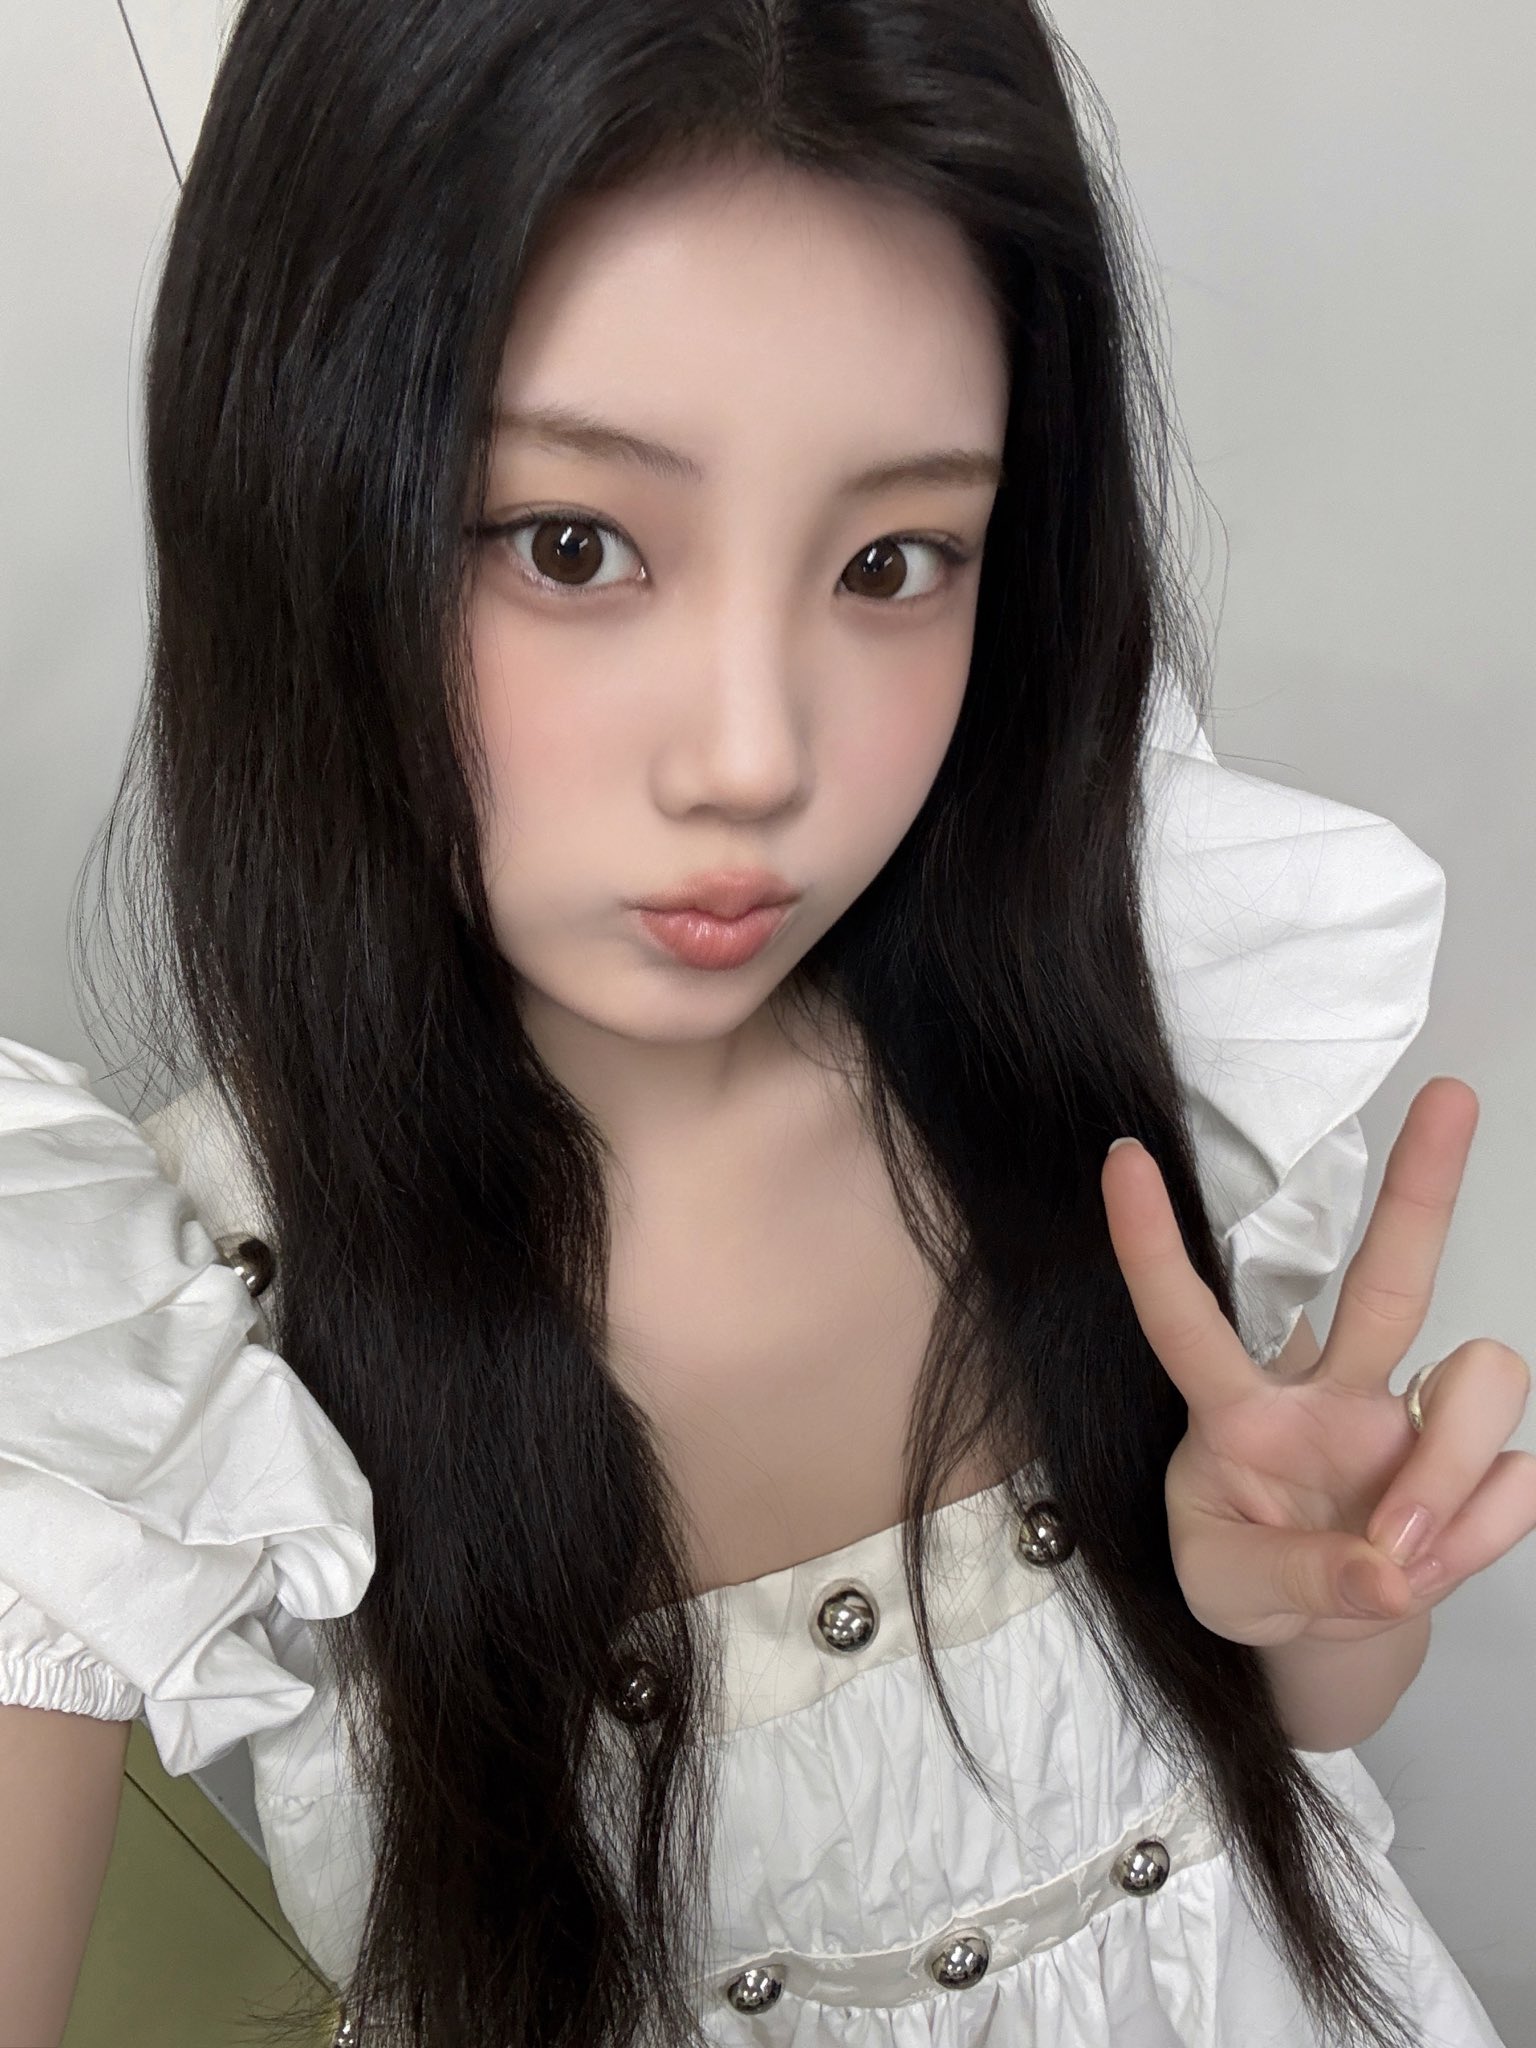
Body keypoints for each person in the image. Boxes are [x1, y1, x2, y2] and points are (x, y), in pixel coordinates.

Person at [1, 2, 1529, 2044]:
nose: (758, 758)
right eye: (572, 544)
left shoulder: (1103, 1048)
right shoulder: (141, 1345)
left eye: (893, 559)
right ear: (294, 495)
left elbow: (1301, 1740)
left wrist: (1323, 1594)